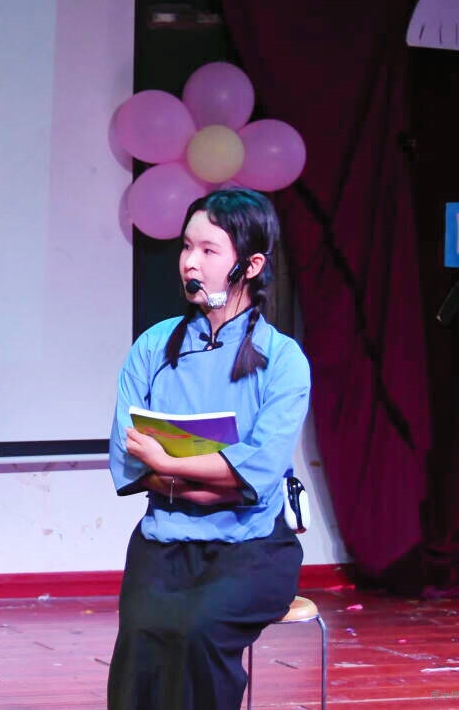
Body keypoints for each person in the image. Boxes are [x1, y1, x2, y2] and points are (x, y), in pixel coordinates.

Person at [106, 188, 311, 710]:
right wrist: (202, 483)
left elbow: (259, 470)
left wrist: (168, 466)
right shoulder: (152, 347)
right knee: (142, 641)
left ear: (251, 265)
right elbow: (128, 457)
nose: (190, 262)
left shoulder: (283, 360)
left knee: (198, 631)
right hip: (164, 540)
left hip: (252, 546)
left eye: (208, 250)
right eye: (185, 246)